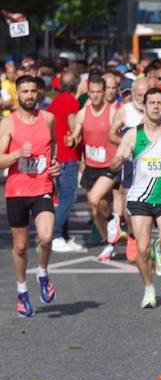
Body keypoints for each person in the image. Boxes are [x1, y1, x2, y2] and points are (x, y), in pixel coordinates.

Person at [105, 86, 161, 309]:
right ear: (144, 107)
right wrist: (121, 159)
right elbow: (114, 164)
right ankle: (149, 289)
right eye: (152, 103)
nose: (156, 106)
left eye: (160, 103)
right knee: (142, 249)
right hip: (140, 199)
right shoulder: (132, 134)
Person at [1, 75, 59, 315]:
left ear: (39, 93)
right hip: (17, 190)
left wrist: (54, 163)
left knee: (45, 237)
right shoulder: (8, 124)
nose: (29, 96)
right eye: (24, 91)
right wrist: (16, 155)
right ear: (17, 94)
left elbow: (53, 143)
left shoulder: (48, 118)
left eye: (33, 91)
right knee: (21, 245)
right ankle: (22, 291)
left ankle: (43, 273)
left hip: (42, 187)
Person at [69, 70, 121, 262]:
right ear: (88, 92)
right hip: (91, 164)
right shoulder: (83, 113)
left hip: (110, 164)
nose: (95, 95)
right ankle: (109, 242)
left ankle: (112, 220)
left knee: (94, 197)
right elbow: (76, 135)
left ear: (105, 91)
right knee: (96, 208)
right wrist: (71, 140)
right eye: (92, 92)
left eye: (99, 91)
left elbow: (119, 136)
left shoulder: (112, 112)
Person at [48, 70, 83, 252]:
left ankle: (64, 237)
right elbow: (73, 125)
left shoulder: (55, 101)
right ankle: (55, 235)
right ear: (76, 84)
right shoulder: (71, 101)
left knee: (63, 198)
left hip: (57, 154)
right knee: (69, 198)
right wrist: (78, 138)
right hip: (67, 155)